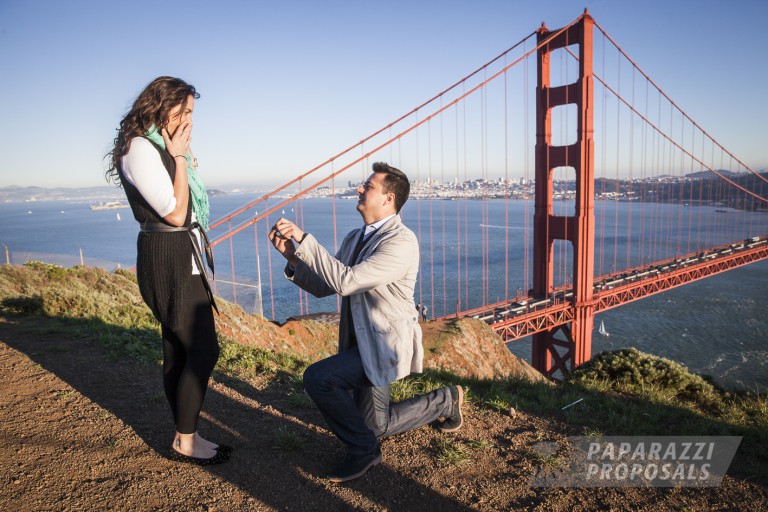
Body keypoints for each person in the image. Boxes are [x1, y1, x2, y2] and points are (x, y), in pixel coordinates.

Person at [268, 162, 463, 482]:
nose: (359, 189)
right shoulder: (354, 237)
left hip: (385, 345)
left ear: (388, 199)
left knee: (319, 378)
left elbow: (348, 281)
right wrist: (293, 257)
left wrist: (305, 240)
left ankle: (364, 451)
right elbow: (324, 285)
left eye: (368, 186)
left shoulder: (401, 242)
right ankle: (446, 400)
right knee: (377, 425)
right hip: (360, 343)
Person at [105, 76, 228, 466]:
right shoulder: (141, 148)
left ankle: (187, 433)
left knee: (179, 349)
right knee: (202, 350)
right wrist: (178, 158)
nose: (190, 119)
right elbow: (175, 213)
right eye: (186, 110)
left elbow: (183, 207)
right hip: (168, 254)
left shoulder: (155, 145)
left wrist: (182, 157)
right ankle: (185, 440)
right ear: (163, 106)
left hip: (176, 253)